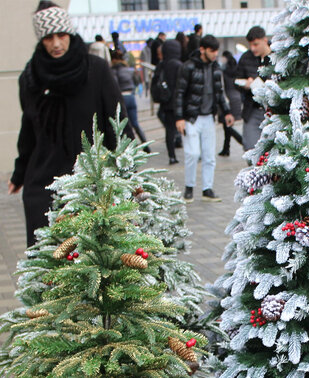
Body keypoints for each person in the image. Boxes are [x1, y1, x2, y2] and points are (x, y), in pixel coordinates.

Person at [9, 1, 129, 247]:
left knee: (93, 258)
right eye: (48, 37)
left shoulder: (96, 70)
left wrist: (127, 168)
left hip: (91, 184)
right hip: (43, 186)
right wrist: (19, 173)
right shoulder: (31, 78)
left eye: (61, 35)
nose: (56, 44)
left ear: (70, 34)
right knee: (46, 258)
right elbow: (29, 129)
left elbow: (117, 123)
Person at [175, 34, 233, 201]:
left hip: (208, 117)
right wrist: (179, 118)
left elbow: (219, 92)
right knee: (192, 154)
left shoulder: (216, 68)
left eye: (216, 51)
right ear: (202, 49)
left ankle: (207, 189)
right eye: (212, 50)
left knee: (209, 156)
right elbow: (179, 93)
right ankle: (189, 187)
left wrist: (227, 111)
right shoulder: (188, 67)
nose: (215, 54)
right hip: (191, 117)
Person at [236, 26, 272, 150]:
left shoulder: (277, 56)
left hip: (272, 110)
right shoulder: (246, 58)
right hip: (252, 108)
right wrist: (246, 85)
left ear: (264, 40)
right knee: (250, 146)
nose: (253, 48)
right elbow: (236, 80)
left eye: (256, 44)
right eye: (250, 45)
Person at [110, 49, 147, 149]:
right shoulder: (129, 70)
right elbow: (136, 81)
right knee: (135, 123)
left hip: (122, 98)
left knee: (124, 125)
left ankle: (132, 147)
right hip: (131, 96)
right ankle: (145, 145)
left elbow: (114, 86)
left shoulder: (113, 71)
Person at [154, 39, 183, 165]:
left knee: (169, 130)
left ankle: (172, 156)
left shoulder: (161, 65)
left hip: (166, 102)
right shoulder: (178, 65)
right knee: (184, 127)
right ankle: (190, 150)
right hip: (178, 102)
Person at [219, 51, 244, 157]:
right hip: (237, 98)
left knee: (227, 125)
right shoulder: (236, 69)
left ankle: (242, 141)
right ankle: (226, 148)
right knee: (227, 125)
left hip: (228, 98)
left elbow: (222, 87)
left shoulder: (223, 71)